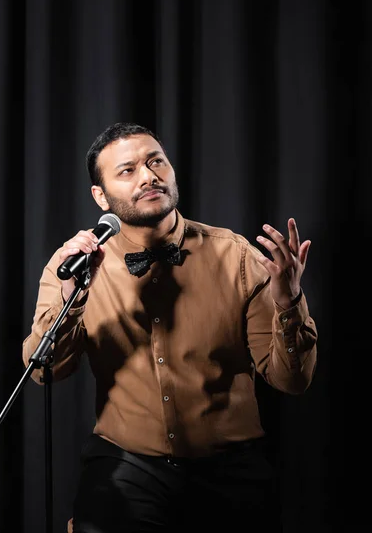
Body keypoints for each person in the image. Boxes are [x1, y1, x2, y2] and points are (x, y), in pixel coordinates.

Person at [22, 122, 318, 533]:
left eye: (156, 161)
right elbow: (43, 371)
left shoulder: (237, 258)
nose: (149, 176)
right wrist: (74, 297)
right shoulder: (71, 265)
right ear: (100, 196)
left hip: (230, 467)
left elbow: (293, 381)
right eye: (127, 170)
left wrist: (288, 304)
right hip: (126, 462)